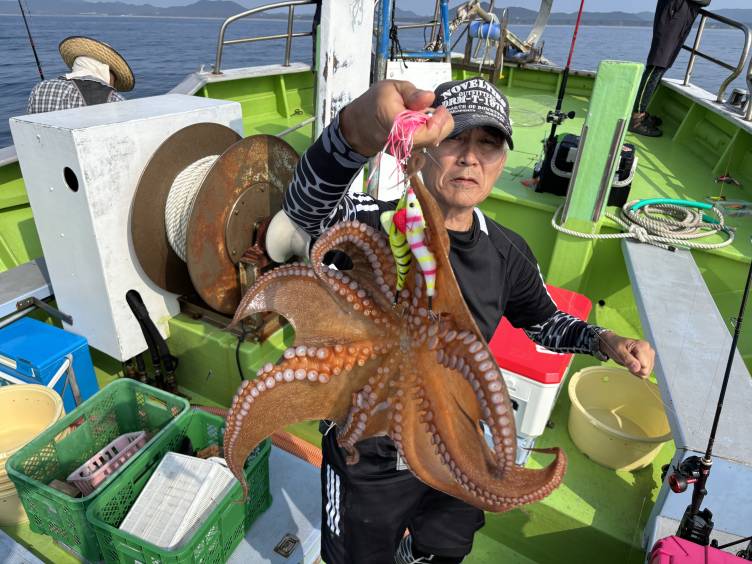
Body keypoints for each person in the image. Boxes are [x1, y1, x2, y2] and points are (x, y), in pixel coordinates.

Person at [282, 77, 656, 564]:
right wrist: (354, 129)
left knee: (446, 546)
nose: (470, 158)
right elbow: (307, 211)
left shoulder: (508, 252)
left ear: (501, 163)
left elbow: (545, 322)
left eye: (488, 144)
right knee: (357, 554)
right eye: (454, 138)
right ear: (422, 150)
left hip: (456, 434)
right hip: (368, 445)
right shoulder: (373, 224)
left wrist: (606, 340)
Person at [630, 0, 710, 137]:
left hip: (682, 12)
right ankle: (636, 119)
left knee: (662, 64)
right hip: (676, 10)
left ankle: (639, 113)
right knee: (657, 64)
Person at [26, 36, 134, 114]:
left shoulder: (40, 89)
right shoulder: (114, 100)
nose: (114, 85)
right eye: (115, 77)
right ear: (106, 71)